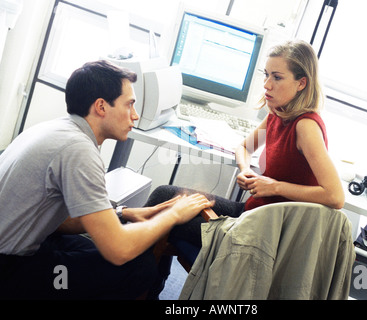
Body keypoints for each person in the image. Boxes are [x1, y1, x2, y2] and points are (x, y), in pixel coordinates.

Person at [0, 60, 213, 300]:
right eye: (129, 104)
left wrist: (123, 213)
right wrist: (174, 214)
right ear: (101, 106)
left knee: (122, 252)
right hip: (11, 271)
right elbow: (118, 250)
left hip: (31, 244)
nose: (135, 115)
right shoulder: (78, 150)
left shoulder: (61, 130)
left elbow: (57, 219)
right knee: (136, 266)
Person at [147, 39, 344, 261]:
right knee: (163, 196)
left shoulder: (305, 127)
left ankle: (135, 284)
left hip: (261, 235)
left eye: (277, 77)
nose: (267, 84)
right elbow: (244, 147)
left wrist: (274, 186)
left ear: (301, 83)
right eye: (266, 75)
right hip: (249, 213)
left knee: (162, 216)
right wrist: (244, 170)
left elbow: (335, 196)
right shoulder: (277, 115)